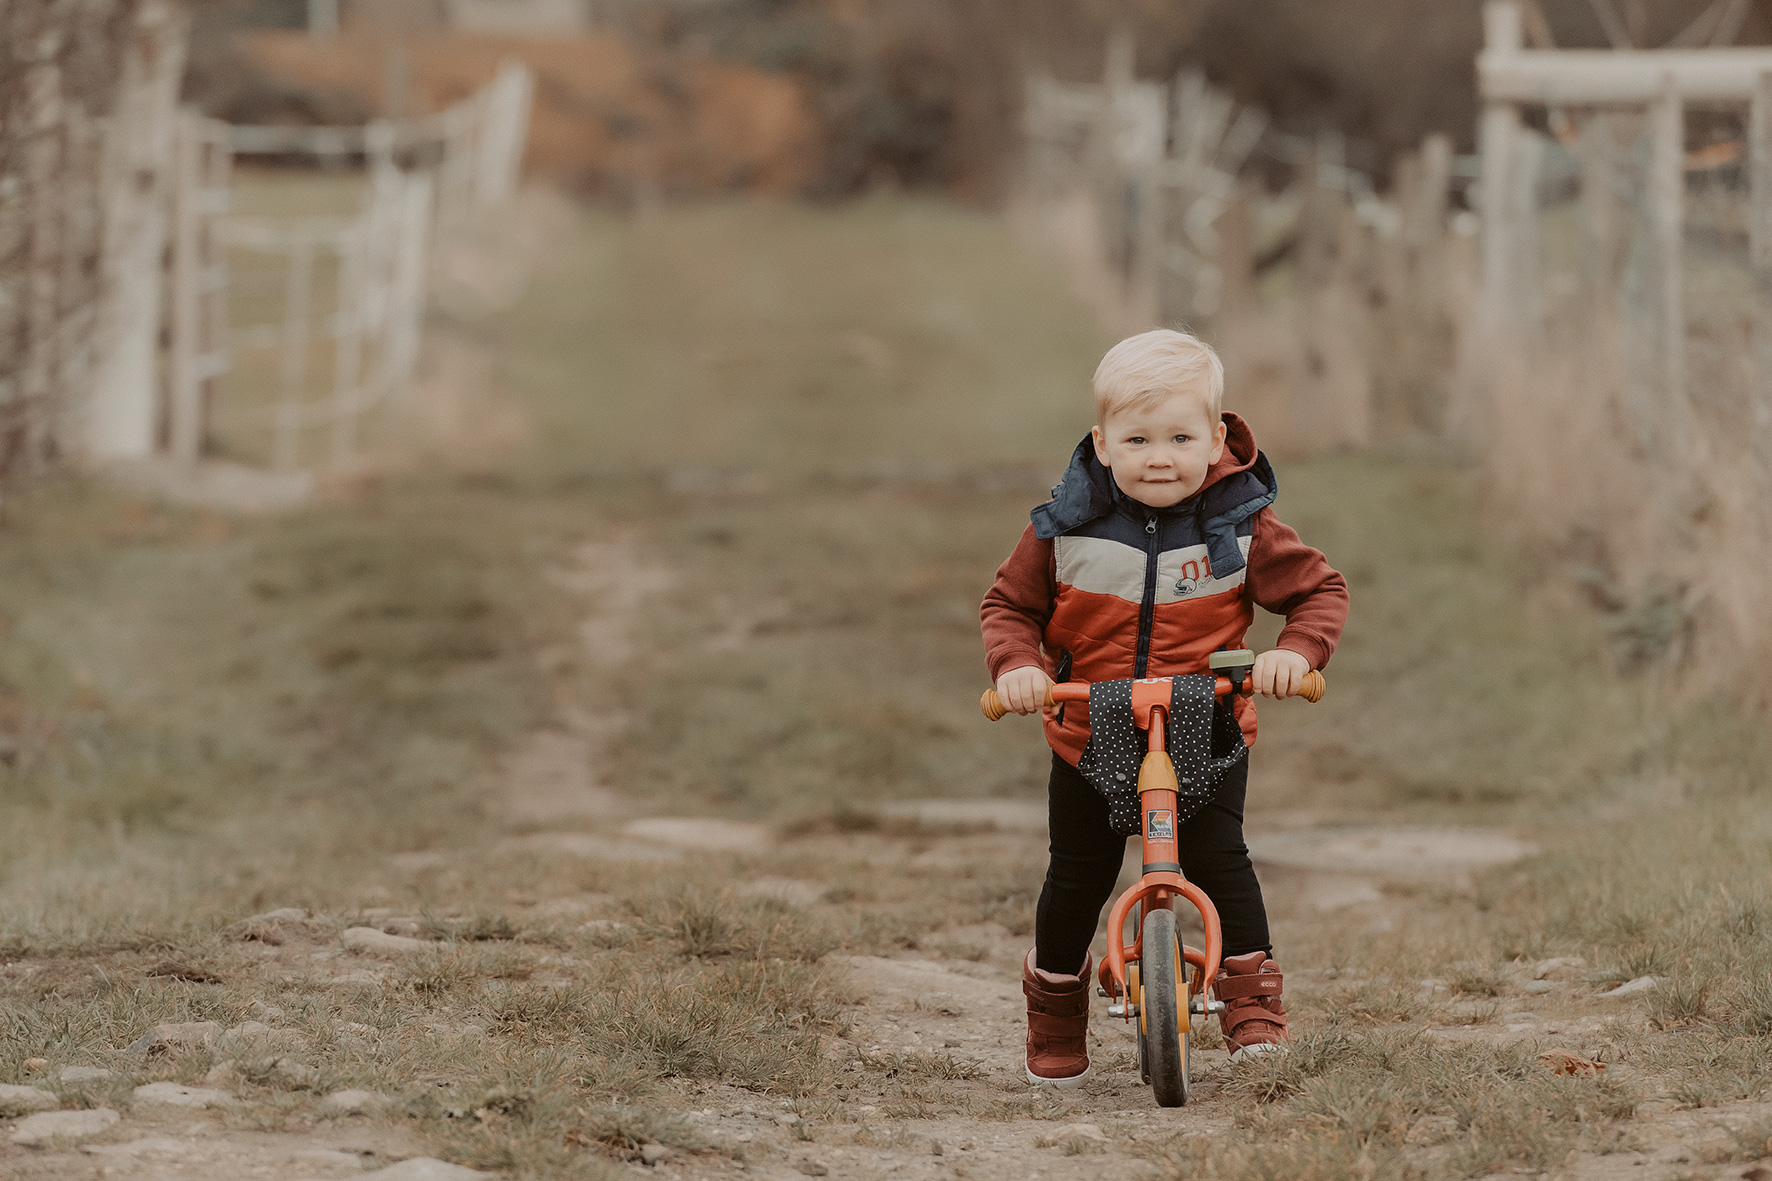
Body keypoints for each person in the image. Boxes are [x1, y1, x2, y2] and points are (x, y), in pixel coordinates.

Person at [980, 328, 1348, 1085]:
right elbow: (1009, 605)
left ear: (1216, 440)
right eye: (1137, 437)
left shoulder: (1241, 524)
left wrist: (1294, 653)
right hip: (1088, 726)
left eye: (1180, 437)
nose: (1159, 455)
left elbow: (1318, 591)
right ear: (1102, 442)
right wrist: (1019, 665)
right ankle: (1054, 1005)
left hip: (1205, 727)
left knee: (1221, 861)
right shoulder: (1064, 527)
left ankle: (1251, 1002)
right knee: (1077, 874)